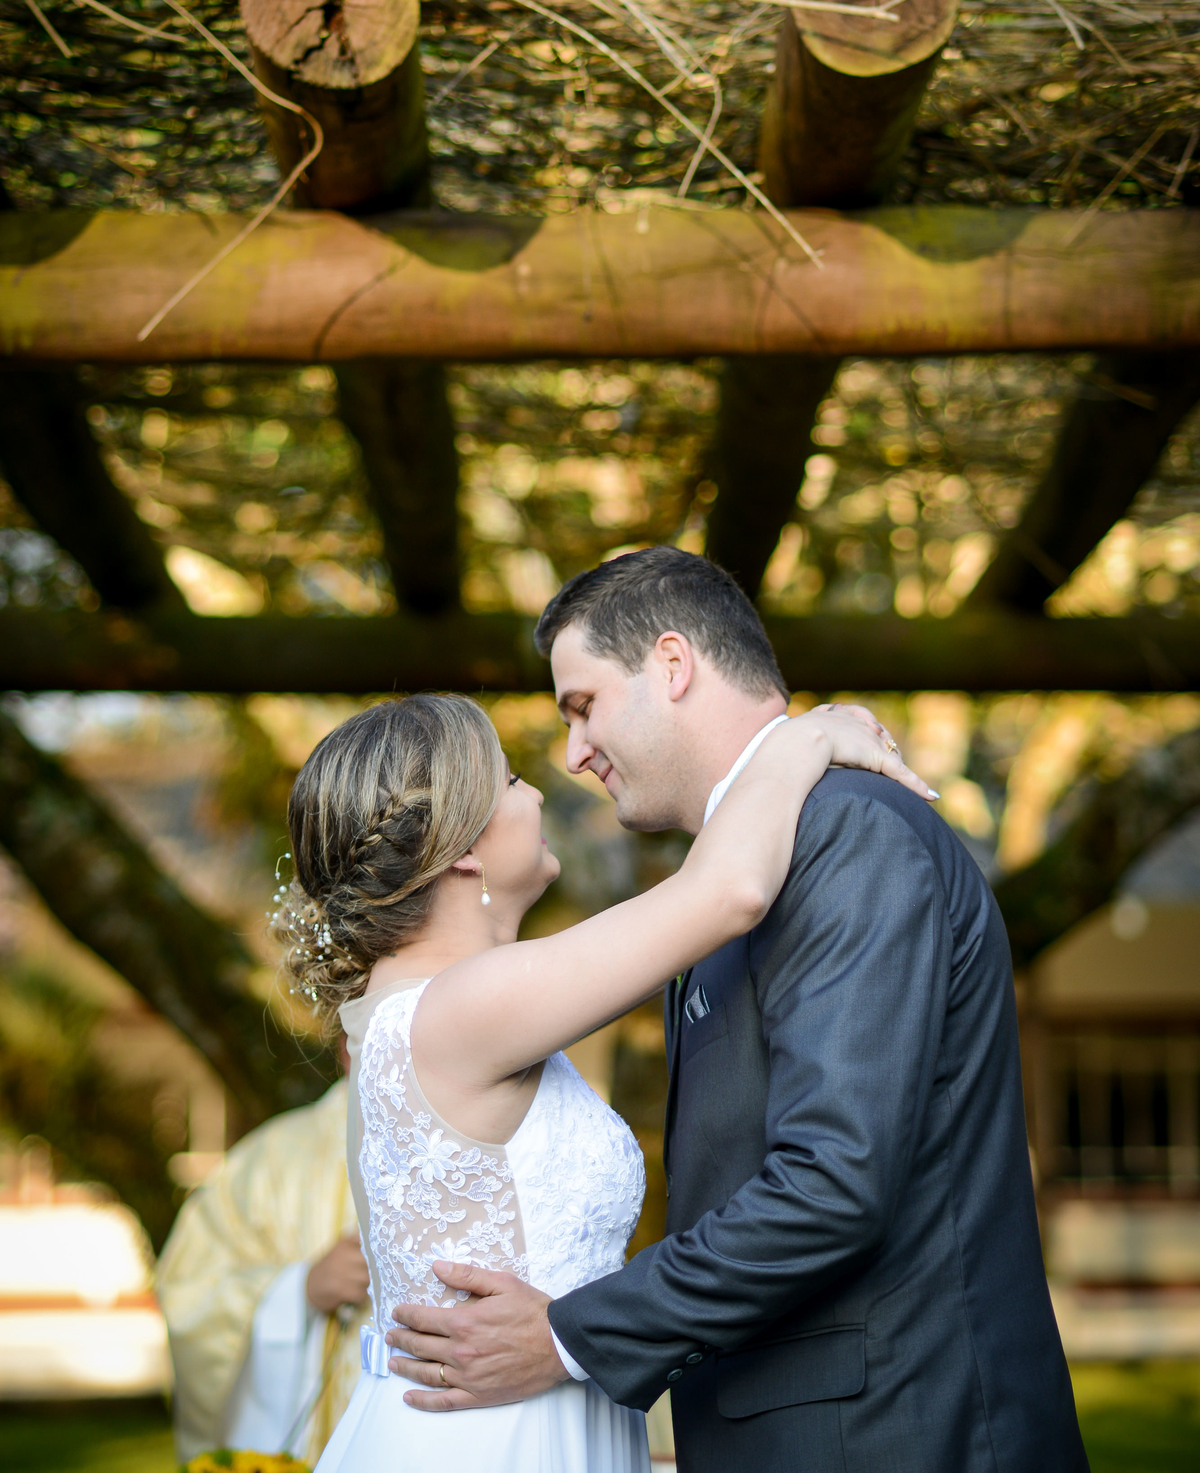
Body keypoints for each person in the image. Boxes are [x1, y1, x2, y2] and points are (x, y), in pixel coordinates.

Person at [386, 547, 1090, 1473]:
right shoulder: (733, 876)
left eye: (583, 705)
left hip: (897, 1432)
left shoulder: (846, 833)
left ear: (672, 666)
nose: (573, 753)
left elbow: (834, 1181)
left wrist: (566, 1337)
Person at [270, 668, 925, 1473]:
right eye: (511, 778)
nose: (540, 794)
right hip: (488, 1444)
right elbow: (729, 892)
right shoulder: (459, 1007)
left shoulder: (421, 1006)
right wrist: (806, 736)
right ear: (463, 849)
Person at [157, 1074, 370, 1466]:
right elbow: (190, 1291)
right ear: (342, 1038)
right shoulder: (270, 1159)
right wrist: (299, 1291)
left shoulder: (491, 1146)